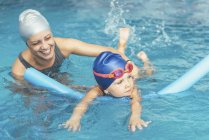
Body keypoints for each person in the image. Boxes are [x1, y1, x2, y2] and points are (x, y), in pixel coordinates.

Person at [63, 28, 154, 132]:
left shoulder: (132, 89)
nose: (128, 84)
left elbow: (136, 103)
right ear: (105, 89)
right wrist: (75, 118)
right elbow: (83, 103)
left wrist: (135, 117)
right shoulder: (98, 90)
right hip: (106, 80)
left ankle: (144, 60)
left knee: (147, 73)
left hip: (135, 76)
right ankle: (121, 47)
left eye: (128, 77)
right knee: (82, 88)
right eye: (119, 82)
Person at [12, 9, 134, 80]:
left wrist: (130, 65)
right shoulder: (20, 69)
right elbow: (28, 95)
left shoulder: (65, 45)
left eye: (48, 38)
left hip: (60, 72)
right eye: (36, 43)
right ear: (28, 45)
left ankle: (121, 45)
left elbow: (107, 50)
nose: (45, 46)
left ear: (52, 34)